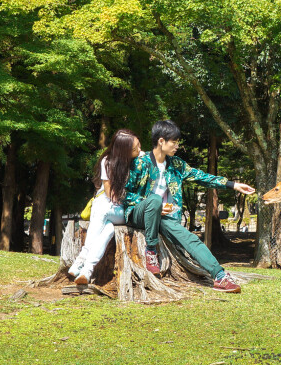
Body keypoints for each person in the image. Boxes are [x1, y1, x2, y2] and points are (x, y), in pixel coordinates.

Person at [123, 120, 256, 293]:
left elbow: (201, 176)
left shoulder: (176, 164)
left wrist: (232, 185)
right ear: (161, 141)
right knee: (155, 200)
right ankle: (150, 250)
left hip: (164, 218)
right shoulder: (140, 163)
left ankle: (220, 276)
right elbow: (125, 194)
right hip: (139, 214)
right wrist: (150, 205)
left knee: (191, 239)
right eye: (174, 142)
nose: (177, 146)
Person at [69, 129, 141, 285]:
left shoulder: (140, 162)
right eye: (135, 149)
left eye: (139, 146)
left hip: (124, 210)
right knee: (107, 228)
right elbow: (110, 194)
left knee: (102, 209)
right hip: (110, 205)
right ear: (124, 150)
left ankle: (81, 258)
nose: (139, 150)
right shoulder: (108, 161)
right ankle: (87, 271)